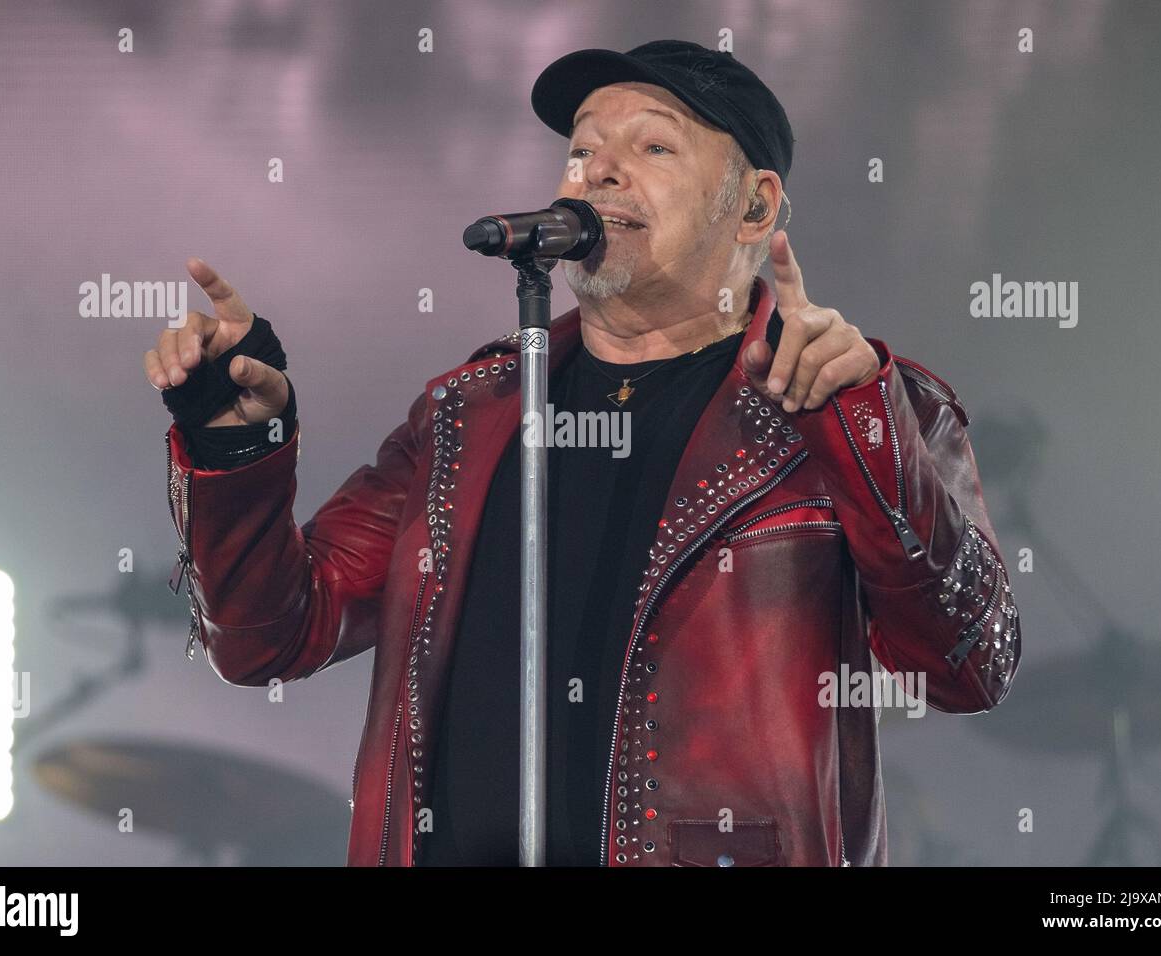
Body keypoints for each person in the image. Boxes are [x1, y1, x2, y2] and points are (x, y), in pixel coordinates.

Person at [143, 40, 1021, 867]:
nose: (597, 168)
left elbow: (970, 663)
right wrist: (238, 440)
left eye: (653, 147)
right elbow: (269, 637)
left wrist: (862, 421)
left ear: (754, 204)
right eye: (581, 149)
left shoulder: (856, 406)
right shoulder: (468, 415)